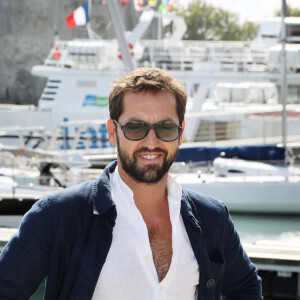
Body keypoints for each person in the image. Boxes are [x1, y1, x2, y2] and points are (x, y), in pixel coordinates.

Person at [0, 67, 262, 299]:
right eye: (135, 128)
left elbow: (246, 288)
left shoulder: (212, 218)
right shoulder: (58, 215)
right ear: (113, 132)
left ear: (180, 134)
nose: (151, 141)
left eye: (165, 128)